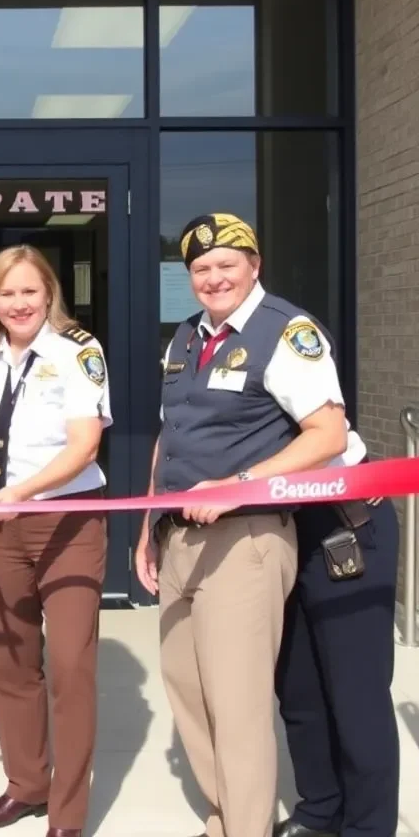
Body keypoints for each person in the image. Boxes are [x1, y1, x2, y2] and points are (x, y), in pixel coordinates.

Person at [134, 213, 351, 837]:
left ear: (254, 265)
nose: (213, 277)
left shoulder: (285, 331)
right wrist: (149, 525)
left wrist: (237, 486)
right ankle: (223, 817)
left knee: (237, 702)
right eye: (200, 268)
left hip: (245, 539)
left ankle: (247, 827)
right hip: (179, 537)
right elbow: (168, 436)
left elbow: (327, 433)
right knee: (188, 691)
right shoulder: (184, 337)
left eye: (227, 264)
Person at [0, 245, 111, 837]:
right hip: (0, 526)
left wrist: (23, 491)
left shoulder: (78, 351)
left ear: (50, 294)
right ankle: (26, 786)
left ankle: (67, 816)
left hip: (67, 522)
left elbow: (84, 446)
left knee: (70, 667)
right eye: (6, 292)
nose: (18, 303)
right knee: (11, 660)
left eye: (29, 291)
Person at [273, 443, 399, 830]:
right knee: (298, 691)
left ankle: (368, 827)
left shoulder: (303, 378)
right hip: (280, 527)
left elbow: (328, 439)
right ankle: (320, 810)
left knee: (357, 698)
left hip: (344, 522)